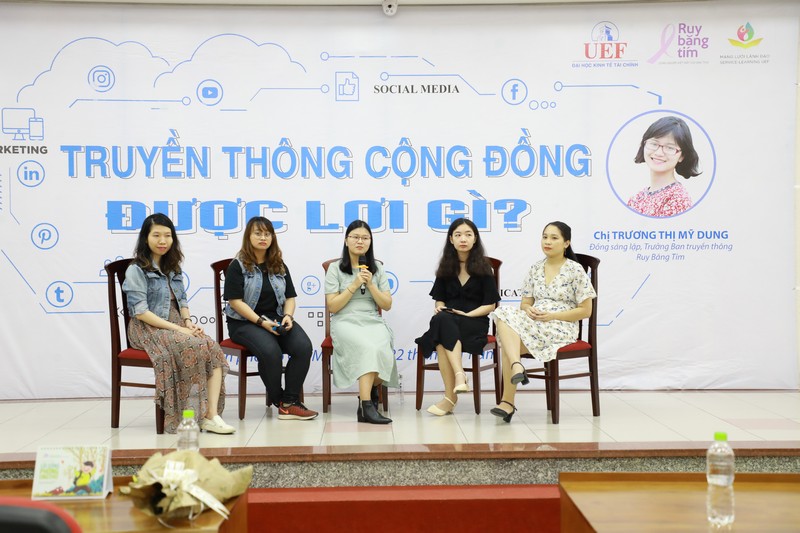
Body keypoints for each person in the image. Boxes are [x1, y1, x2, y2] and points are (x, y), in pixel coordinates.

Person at [122, 213, 234, 435]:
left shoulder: (173, 268)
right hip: (146, 328)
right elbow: (141, 312)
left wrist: (189, 323)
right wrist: (180, 329)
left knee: (211, 346)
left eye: (167, 235)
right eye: (156, 235)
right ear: (145, 238)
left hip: (175, 324)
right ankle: (187, 415)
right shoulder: (136, 269)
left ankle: (210, 415)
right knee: (194, 345)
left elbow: (182, 301)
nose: (162, 241)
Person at [490, 221, 596, 422]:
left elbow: (586, 311)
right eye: (545, 237)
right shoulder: (535, 268)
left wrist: (553, 316)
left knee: (508, 345)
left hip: (561, 326)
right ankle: (516, 367)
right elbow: (525, 303)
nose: (547, 241)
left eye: (554, 238)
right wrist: (528, 309)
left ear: (566, 243)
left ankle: (507, 402)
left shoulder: (575, 270)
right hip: (535, 323)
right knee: (503, 313)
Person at [223, 217, 317, 421]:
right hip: (244, 322)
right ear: (248, 236)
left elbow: (290, 297)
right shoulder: (237, 266)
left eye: (267, 234)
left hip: (276, 318)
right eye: (258, 233)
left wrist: (288, 316)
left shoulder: (278, 264)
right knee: (271, 352)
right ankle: (281, 401)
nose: (263, 237)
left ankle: (290, 402)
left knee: (303, 347)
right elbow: (235, 302)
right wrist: (260, 322)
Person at [415, 218, 500, 416]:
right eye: (458, 235)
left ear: (475, 239)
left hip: (474, 322)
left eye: (468, 235)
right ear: (451, 239)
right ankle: (458, 379)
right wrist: (440, 308)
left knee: (440, 334)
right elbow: (439, 299)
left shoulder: (484, 268)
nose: (463, 239)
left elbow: (491, 305)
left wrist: (467, 314)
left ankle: (451, 397)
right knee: (442, 319)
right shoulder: (446, 267)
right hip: (449, 320)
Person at [324, 220, 398, 424]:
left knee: (381, 349)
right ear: (346, 240)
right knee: (368, 348)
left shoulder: (377, 268)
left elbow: (387, 304)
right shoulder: (335, 269)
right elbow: (333, 307)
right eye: (355, 237)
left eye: (365, 238)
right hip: (345, 320)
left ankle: (369, 397)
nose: (360, 241)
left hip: (372, 320)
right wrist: (354, 284)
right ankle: (367, 405)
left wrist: (371, 284)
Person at [627, 116, 701, 217]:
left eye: (670, 147)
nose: (659, 153)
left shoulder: (678, 200)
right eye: (654, 144)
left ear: (682, 156)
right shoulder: (636, 199)